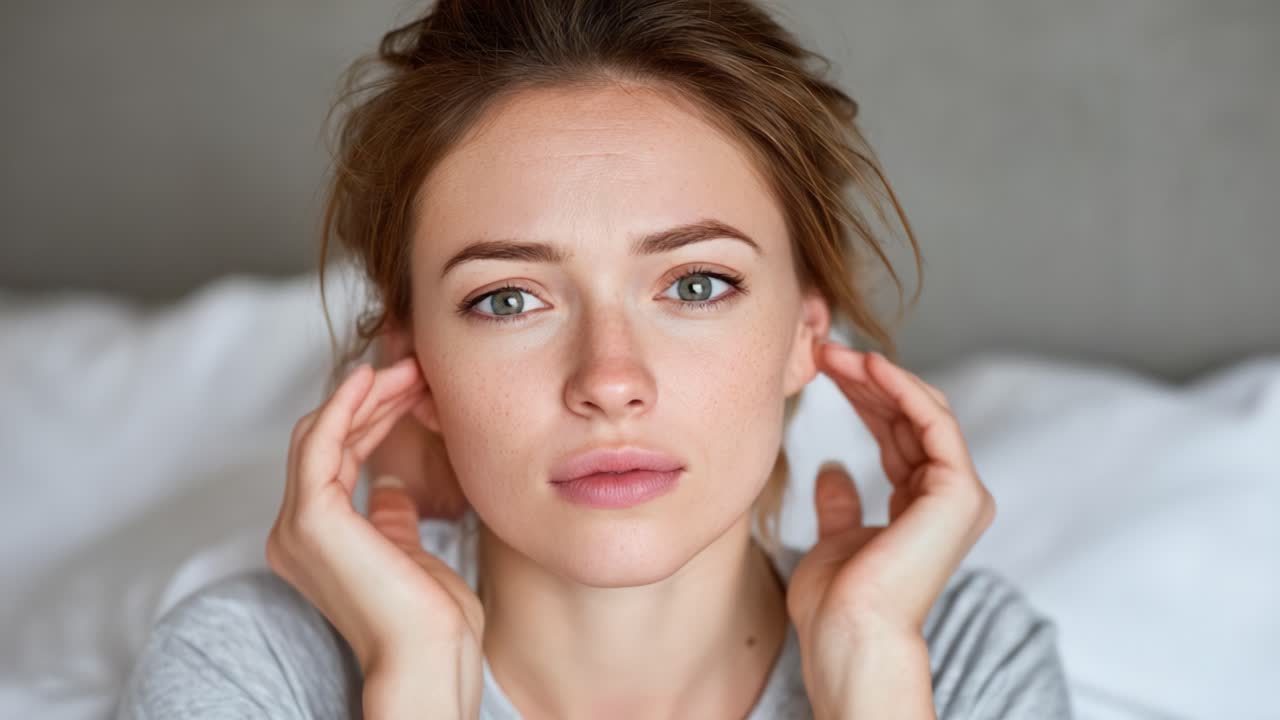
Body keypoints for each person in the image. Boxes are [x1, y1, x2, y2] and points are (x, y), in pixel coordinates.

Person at [117, 0, 1075, 717]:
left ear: (805, 336)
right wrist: (415, 681)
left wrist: (871, 674)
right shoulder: (255, 669)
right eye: (508, 299)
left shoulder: (956, 659)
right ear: (416, 370)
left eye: (696, 284)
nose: (610, 380)